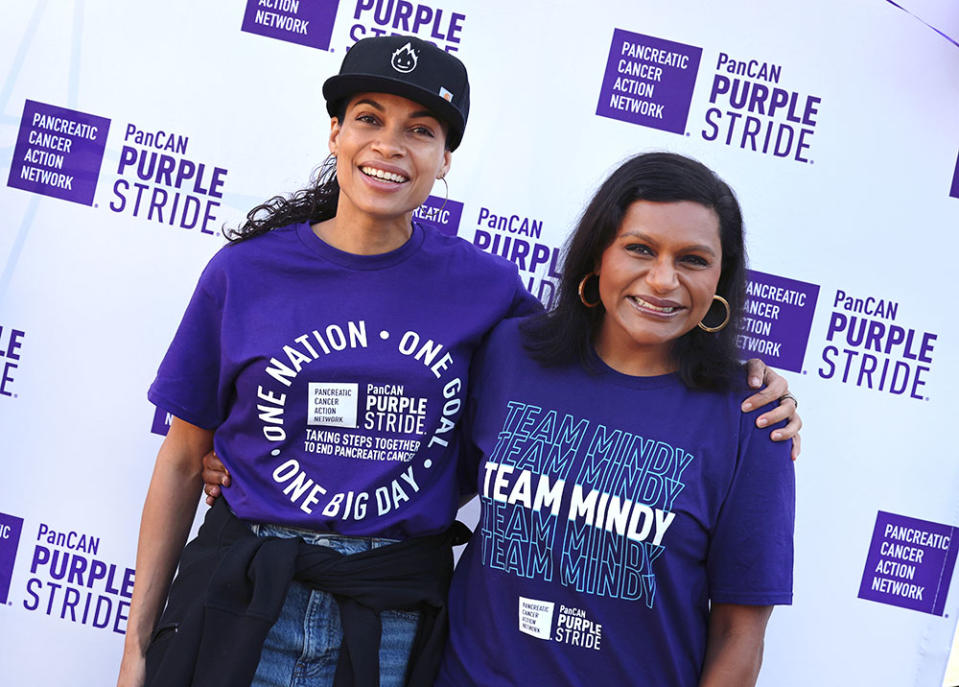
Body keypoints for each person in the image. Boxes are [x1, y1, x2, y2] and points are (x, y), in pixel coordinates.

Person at [131, 35, 799, 687]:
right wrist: (139, 645)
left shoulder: (491, 299)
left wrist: (761, 386)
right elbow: (189, 453)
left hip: (389, 613)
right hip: (249, 597)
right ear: (334, 131)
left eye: (421, 130)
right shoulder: (246, 273)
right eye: (368, 118)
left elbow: (586, 387)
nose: (389, 145)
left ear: (446, 157)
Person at [434, 152, 795, 686]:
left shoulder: (751, 417)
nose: (663, 279)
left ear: (722, 276)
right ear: (599, 254)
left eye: (693, 259)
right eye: (640, 249)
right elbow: (428, 489)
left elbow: (739, 635)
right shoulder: (511, 351)